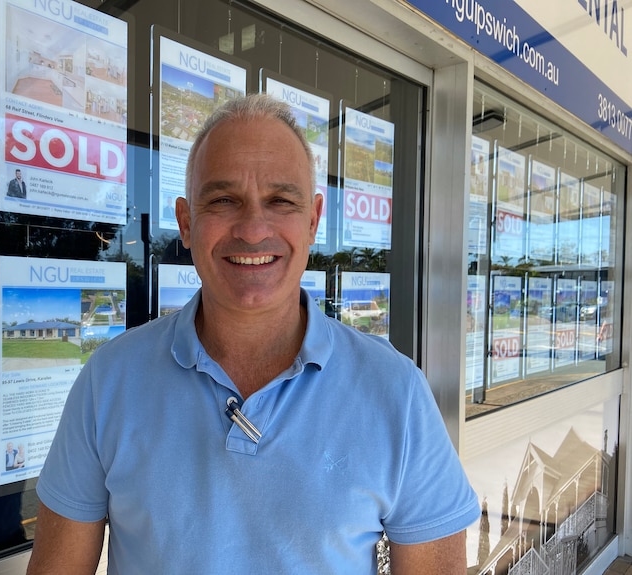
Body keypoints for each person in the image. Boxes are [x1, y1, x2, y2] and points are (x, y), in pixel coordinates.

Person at [27, 94, 480, 573]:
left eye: (280, 201)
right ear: (185, 222)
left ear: (312, 222)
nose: (252, 228)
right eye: (224, 200)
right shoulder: (109, 381)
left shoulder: (396, 391)